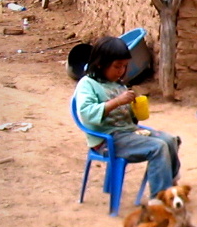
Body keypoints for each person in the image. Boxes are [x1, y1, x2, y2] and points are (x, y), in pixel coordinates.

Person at [74, 36, 181, 199]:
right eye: (117, 66)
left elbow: (127, 118)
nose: (121, 71)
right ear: (100, 63)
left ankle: (171, 188)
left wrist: (134, 109)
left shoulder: (118, 84)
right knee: (157, 147)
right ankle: (160, 199)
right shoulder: (87, 84)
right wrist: (117, 102)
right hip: (107, 139)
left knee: (170, 139)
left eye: (124, 66)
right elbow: (87, 113)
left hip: (127, 132)